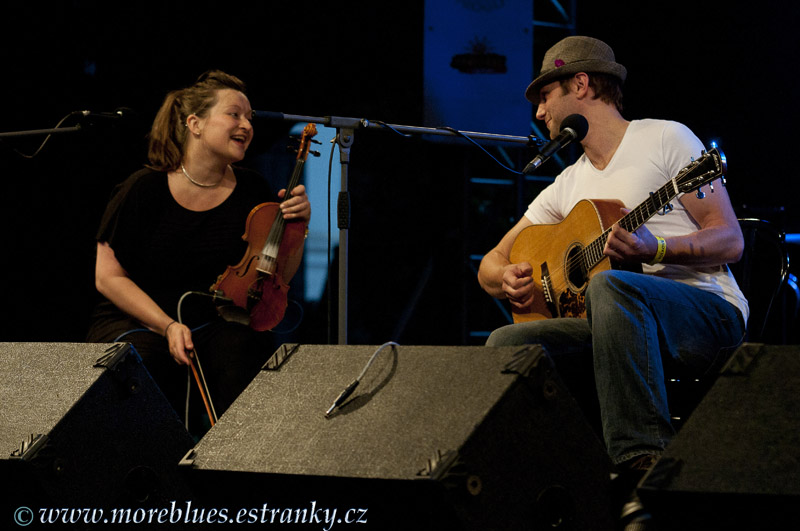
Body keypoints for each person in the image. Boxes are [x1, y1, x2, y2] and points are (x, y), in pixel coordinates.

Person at [477, 36, 748, 520]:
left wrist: (656, 248)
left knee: (610, 284)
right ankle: (562, 481)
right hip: (618, 323)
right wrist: (508, 277)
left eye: (545, 96)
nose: (540, 114)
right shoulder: (570, 182)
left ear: (580, 84)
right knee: (507, 343)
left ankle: (642, 469)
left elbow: (730, 239)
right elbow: (491, 260)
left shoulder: (667, 138)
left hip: (704, 312)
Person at [86, 70, 311, 434]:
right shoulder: (144, 189)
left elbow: (277, 278)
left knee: (246, 348)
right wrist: (168, 326)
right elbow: (107, 277)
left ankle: (236, 468)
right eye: (234, 114)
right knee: (141, 365)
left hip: (213, 321)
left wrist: (297, 229)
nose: (246, 125)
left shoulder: (253, 188)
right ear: (195, 123)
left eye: (249, 118)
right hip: (139, 320)